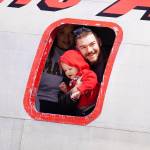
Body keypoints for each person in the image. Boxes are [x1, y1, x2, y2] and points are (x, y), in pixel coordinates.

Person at [36, 24, 75, 113]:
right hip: (37, 101)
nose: (67, 38)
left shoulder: (77, 57)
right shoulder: (45, 52)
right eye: (62, 33)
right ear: (55, 34)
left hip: (60, 104)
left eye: (71, 33)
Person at [59, 50, 100, 116]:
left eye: (70, 69)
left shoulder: (87, 73)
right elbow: (73, 92)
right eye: (65, 70)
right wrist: (66, 91)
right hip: (81, 110)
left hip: (90, 107)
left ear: (78, 65)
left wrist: (80, 89)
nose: (67, 72)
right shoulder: (73, 79)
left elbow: (91, 82)